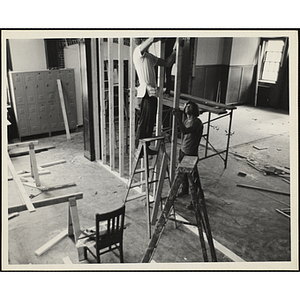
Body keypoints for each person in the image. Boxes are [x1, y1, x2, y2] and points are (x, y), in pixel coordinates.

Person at [133, 37, 176, 155]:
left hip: (151, 93)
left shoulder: (149, 57)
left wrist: (175, 51)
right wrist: (164, 37)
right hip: (145, 93)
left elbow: (167, 63)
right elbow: (152, 39)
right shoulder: (138, 52)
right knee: (144, 122)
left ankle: (145, 148)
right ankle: (140, 148)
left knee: (150, 122)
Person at [172, 101, 203, 206]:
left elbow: (185, 131)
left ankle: (195, 199)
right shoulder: (186, 120)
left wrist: (177, 117)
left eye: (189, 106)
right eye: (186, 106)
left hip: (191, 154)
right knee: (183, 175)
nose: (187, 107)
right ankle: (184, 190)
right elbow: (182, 132)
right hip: (183, 150)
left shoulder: (197, 122)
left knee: (192, 179)